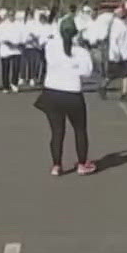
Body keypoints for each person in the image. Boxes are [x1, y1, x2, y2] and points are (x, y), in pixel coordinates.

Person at [35, 19, 96, 176]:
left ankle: (56, 165)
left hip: (52, 93)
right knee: (80, 130)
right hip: (72, 94)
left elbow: (49, 41)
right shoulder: (82, 52)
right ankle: (82, 163)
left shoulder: (51, 47)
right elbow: (87, 72)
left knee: (57, 132)